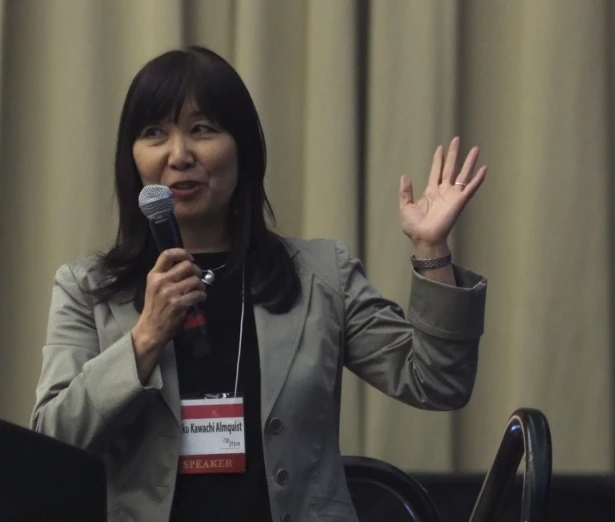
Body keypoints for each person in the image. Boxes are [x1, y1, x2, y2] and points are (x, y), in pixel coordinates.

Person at [30, 45, 488, 522]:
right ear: (133, 159)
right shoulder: (88, 288)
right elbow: (52, 444)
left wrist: (431, 249)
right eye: (154, 134)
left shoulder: (319, 275)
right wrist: (144, 338)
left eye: (202, 129)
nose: (179, 154)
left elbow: (438, 382)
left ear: (242, 147)